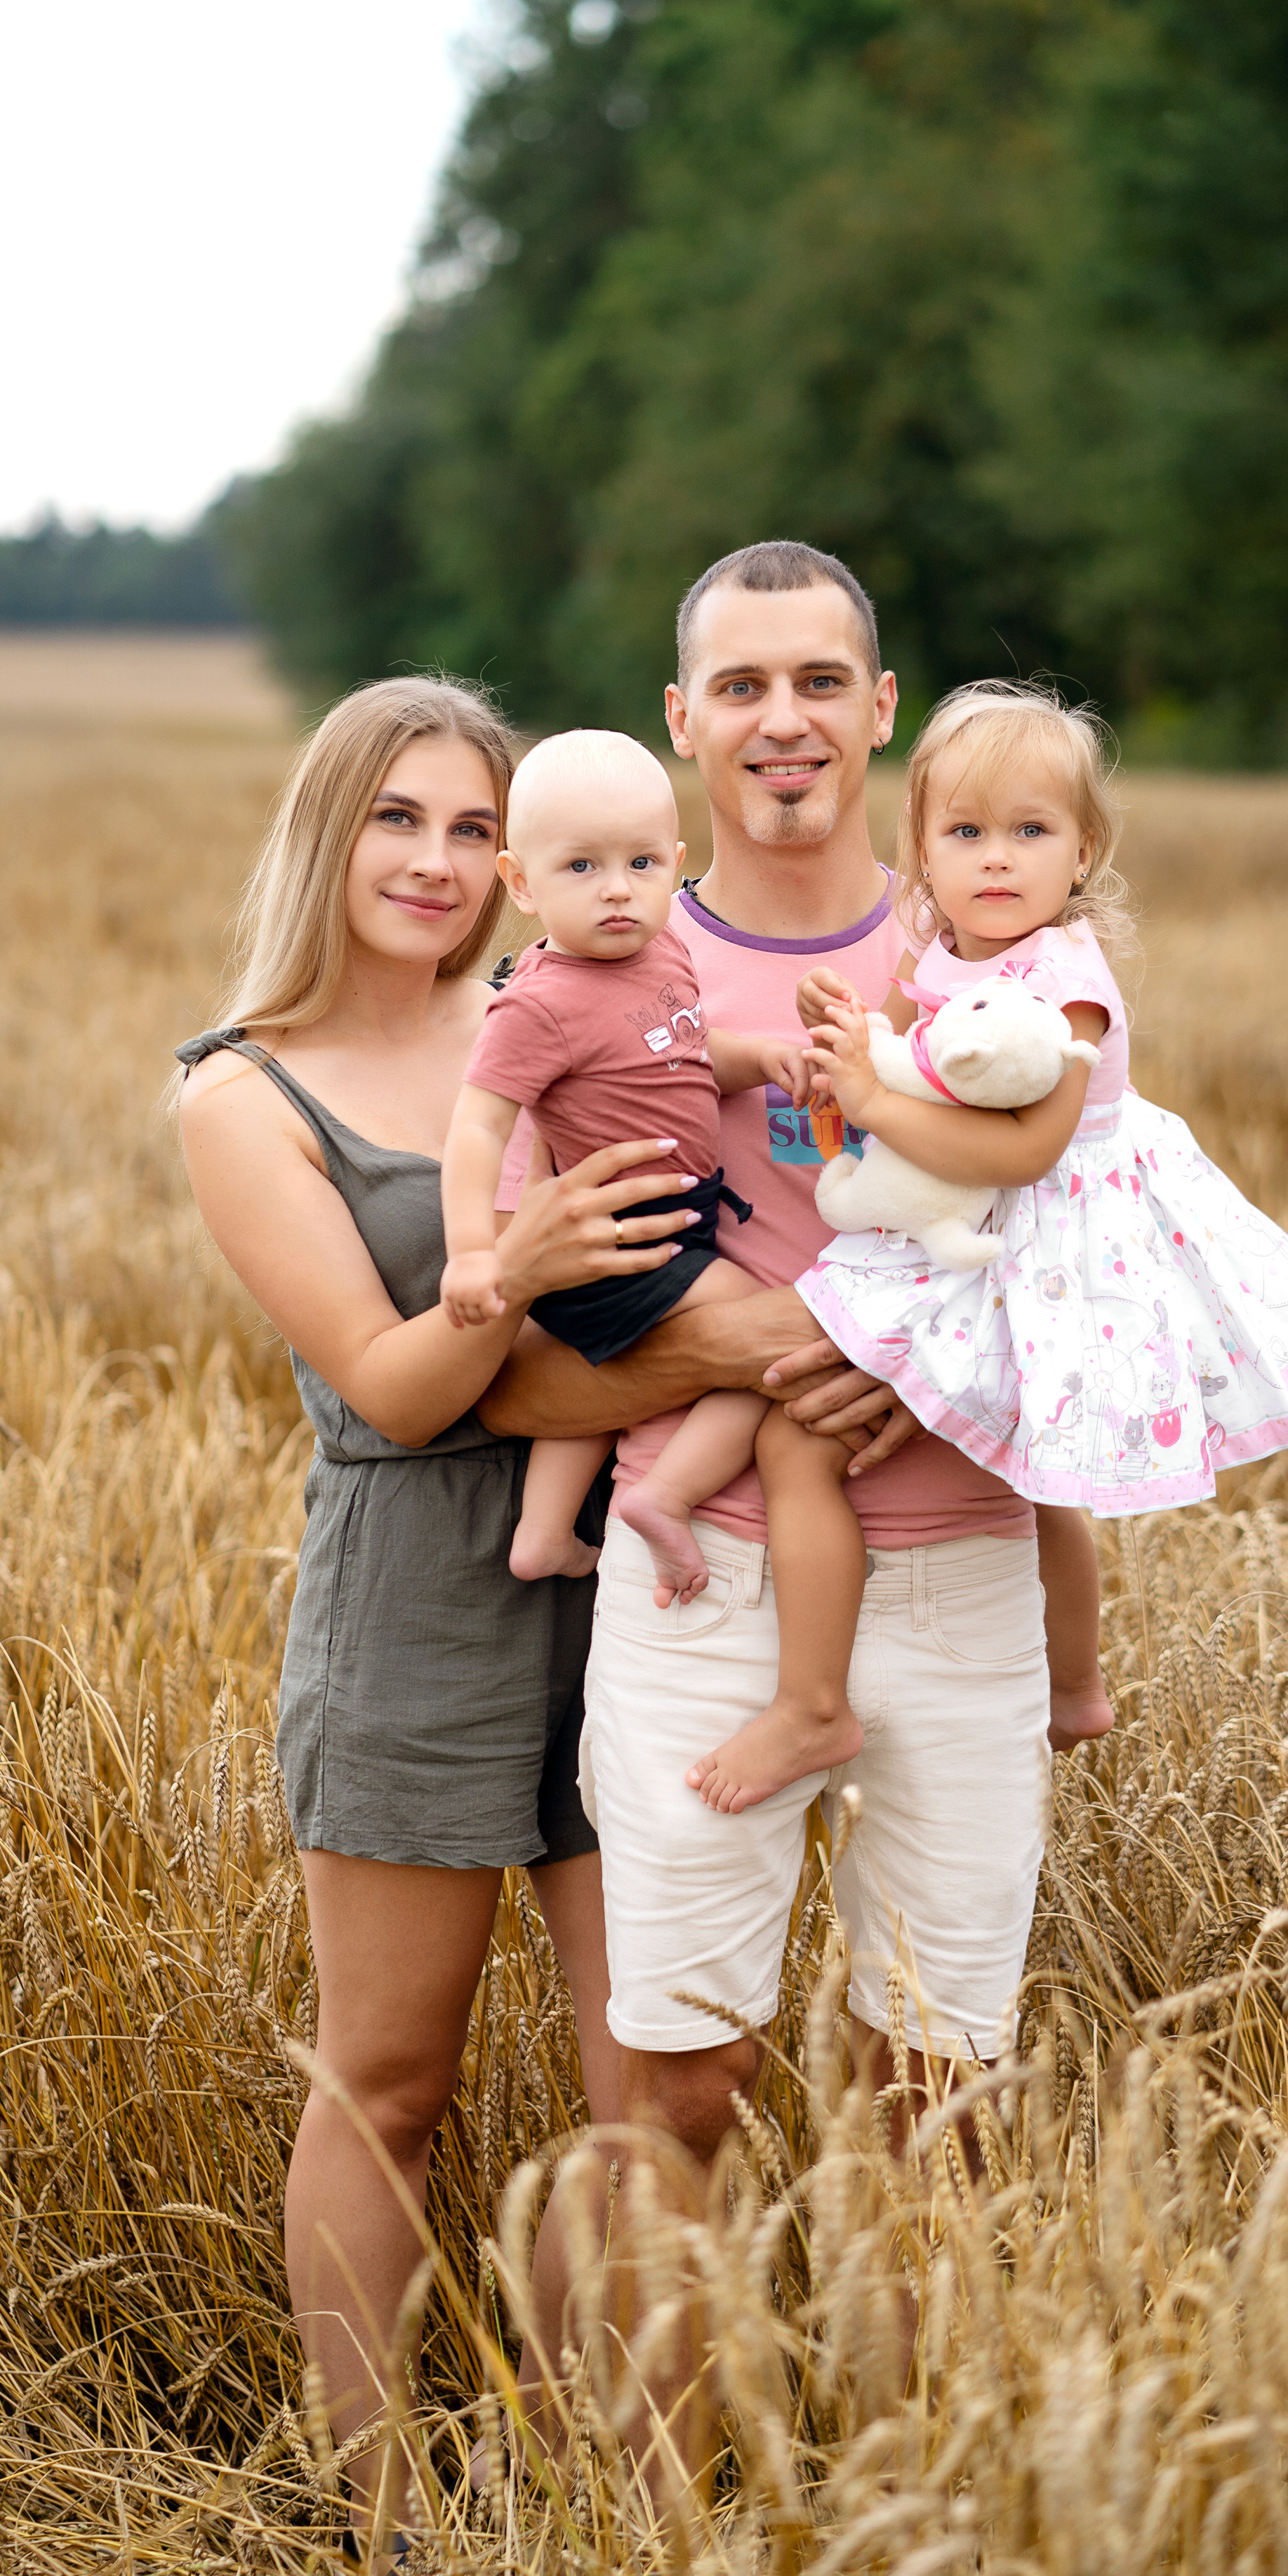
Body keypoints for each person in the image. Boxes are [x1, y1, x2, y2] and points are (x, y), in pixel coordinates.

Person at [474, 542, 1064, 2500]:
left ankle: (912, 2516)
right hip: (702, 1577)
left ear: (881, 709)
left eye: (822, 679)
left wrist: (922, 1358)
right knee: (678, 2074)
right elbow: (525, 1373)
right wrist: (771, 1336)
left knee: (935, 2089)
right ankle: (653, 2527)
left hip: (964, 1570)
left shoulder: (989, 938)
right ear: (681, 721)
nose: (785, 720)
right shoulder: (586, 981)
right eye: (741, 685)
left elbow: (1103, 1273)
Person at [174, 676, 704, 2539]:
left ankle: (601, 2470)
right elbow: (389, 1393)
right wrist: (520, 1278)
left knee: (644, 2076)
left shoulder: (540, 1018)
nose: (439, 860)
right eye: (400, 818)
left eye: (477, 827)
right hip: (412, 1609)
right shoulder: (244, 1091)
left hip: (632, 1589)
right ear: (331, 831)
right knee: (387, 2076)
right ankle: (372, 2490)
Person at [794, 677, 1288, 1524]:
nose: (997, 856)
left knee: (1045, 1470)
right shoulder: (934, 945)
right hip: (963, 1186)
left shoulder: (1066, 984)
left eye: (1031, 830)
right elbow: (892, 1048)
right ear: (923, 848)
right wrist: (842, 1032)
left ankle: (1072, 1664)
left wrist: (867, 1104)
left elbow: (1026, 1154)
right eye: (966, 831)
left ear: (1082, 850)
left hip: (1062, 1217)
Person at [439, 726, 874, 1802]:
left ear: (675, 864)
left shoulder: (663, 953)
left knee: (662, 1366)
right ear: (521, 884)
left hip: (673, 1225)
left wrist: (755, 1057)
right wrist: (471, 1258)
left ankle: (546, 1534)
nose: (618, 892)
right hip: (618, 1241)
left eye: (640, 864)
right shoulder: (534, 1002)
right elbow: (475, 1134)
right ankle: (664, 1501)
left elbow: (680, 1053)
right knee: (767, 1352)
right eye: (581, 868)